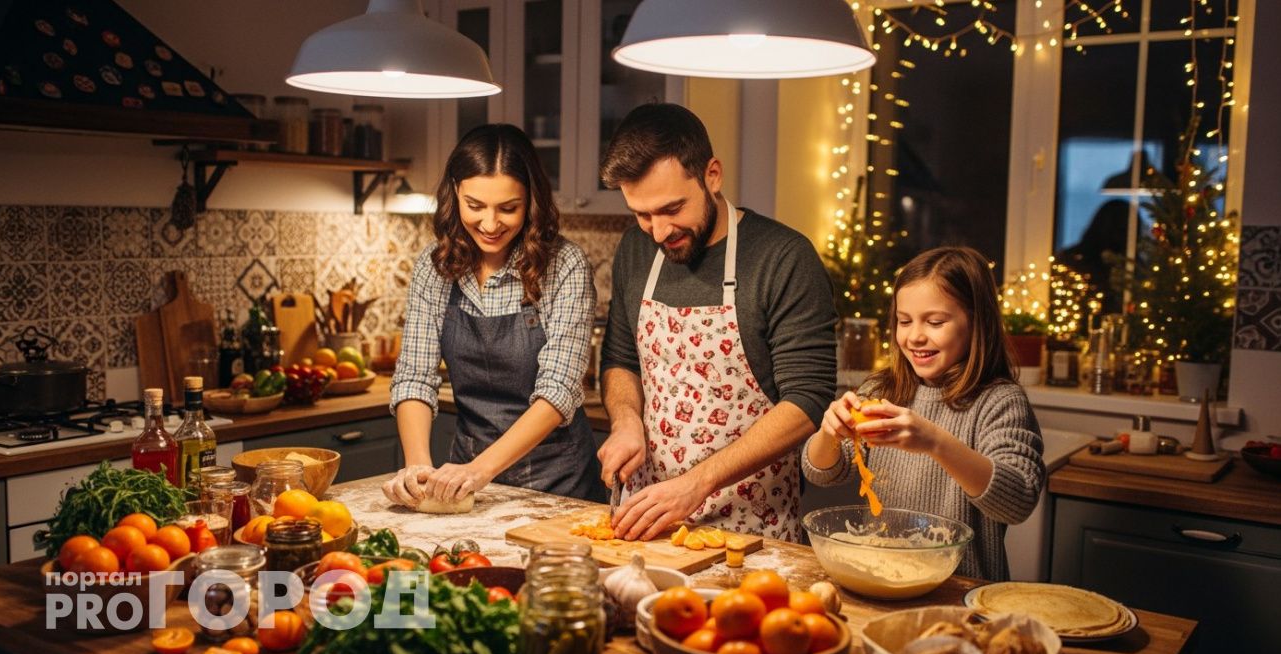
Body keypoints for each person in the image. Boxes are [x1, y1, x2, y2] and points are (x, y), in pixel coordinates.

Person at [598, 103, 838, 542]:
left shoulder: (783, 258)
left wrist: (697, 483)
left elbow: (807, 401)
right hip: (647, 522)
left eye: (672, 208)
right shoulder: (636, 250)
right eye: (642, 214)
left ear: (712, 175)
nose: (657, 231)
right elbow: (619, 358)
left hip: (752, 532)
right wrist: (627, 420)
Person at [383, 123, 605, 507]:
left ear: (531, 200)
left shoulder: (564, 265)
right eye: (475, 206)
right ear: (455, 193)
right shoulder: (434, 266)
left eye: (508, 208)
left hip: (559, 483)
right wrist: (416, 466)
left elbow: (559, 391)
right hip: (466, 479)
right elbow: (415, 377)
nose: (489, 224)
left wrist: (480, 470)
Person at [803, 246, 1045, 581]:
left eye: (935, 322)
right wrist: (829, 433)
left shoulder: (1000, 401)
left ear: (977, 323)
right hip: (885, 581)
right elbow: (822, 472)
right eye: (904, 321)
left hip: (962, 592)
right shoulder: (881, 390)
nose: (915, 336)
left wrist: (934, 442)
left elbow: (1017, 501)